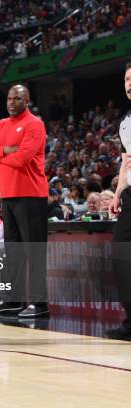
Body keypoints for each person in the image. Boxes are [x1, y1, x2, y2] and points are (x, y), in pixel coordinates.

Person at [0, 84, 49, 318]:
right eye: (9, 98)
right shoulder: (0, 124)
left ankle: (39, 304)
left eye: (17, 98)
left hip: (32, 194)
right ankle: (14, 300)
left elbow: (22, 159)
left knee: (34, 251)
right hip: (8, 196)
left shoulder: (34, 124)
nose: (11, 102)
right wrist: (7, 149)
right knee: (14, 252)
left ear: (27, 100)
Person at [106, 62, 131, 341]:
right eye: (126, 78)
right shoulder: (125, 122)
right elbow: (126, 163)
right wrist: (117, 193)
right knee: (122, 257)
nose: (129, 83)